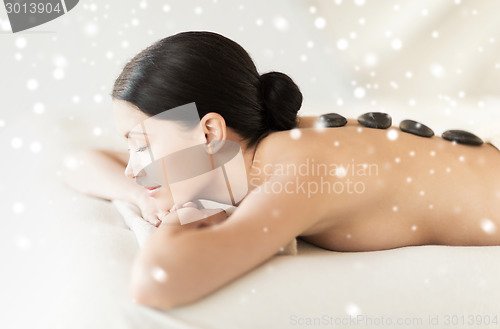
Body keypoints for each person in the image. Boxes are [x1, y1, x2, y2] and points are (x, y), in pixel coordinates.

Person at [62, 31, 500, 309]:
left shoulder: (293, 173)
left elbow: (156, 283)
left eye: (141, 145)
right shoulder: (254, 146)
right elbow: (79, 162)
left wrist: (179, 217)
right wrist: (142, 196)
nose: (136, 167)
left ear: (209, 131)